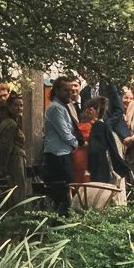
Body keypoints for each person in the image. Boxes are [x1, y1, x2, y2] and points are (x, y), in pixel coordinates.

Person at [40, 77, 79, 214]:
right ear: (56, 91)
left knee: (67, 191)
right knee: (62, 193)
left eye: (71, 90)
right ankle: (59, 224)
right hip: (57, 156)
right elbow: (65, 133)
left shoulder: (63, 107)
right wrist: (76, 144)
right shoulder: (55, 108)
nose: (69, 93)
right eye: (66, 90)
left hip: (63, 153)